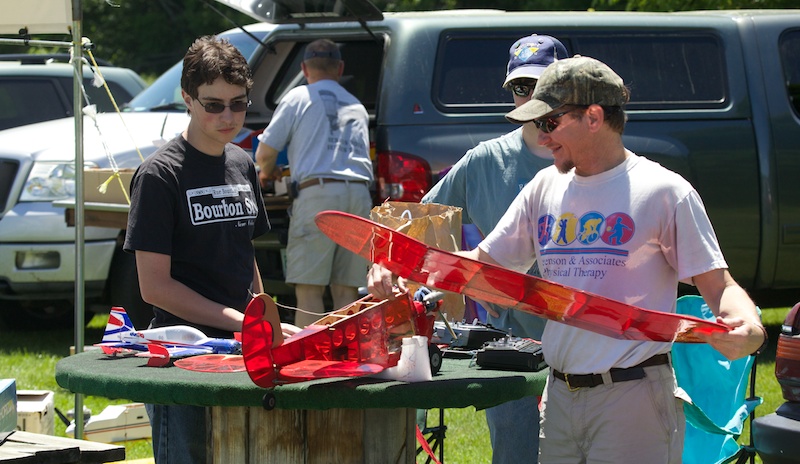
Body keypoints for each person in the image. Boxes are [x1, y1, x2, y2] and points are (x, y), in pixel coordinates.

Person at [371, 56, 767, 463]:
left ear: (593, 117)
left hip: (632, 398)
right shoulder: (543, 188)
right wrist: (402, 265)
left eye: (549, 122)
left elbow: (719, 285)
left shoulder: (664, 192)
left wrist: (747, 325)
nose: (541, 137)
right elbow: (482, 265)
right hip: (558, 396)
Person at [124, 36, 294, 464]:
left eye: (238, 104)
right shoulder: (159, 176)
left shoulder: (242, 163)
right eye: (214, 105)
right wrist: (241, 321)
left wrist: (264, 317)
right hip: (184, 357)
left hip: (243, 350)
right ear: (187, 98)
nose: (228, 116)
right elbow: (154, 287)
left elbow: (244, 251)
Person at [418, 34, 566, 464]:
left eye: (543, 87)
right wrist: (456, 287)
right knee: (516, 454)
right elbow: (424, 222)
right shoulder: (485, 160)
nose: (532, 98)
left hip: (581, 340)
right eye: (522, 87)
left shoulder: (587, 159)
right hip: (510, 346)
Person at [255, 38, 373, 327]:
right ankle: (348, 350)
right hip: (359, 197)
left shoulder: (298, 97)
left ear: (304, 69)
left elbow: (265, 152)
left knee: (310, 289)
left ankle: (310, 352)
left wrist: (267, 172)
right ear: (339, 68)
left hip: (318, 197)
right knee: (347, 290)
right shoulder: (357, 106)